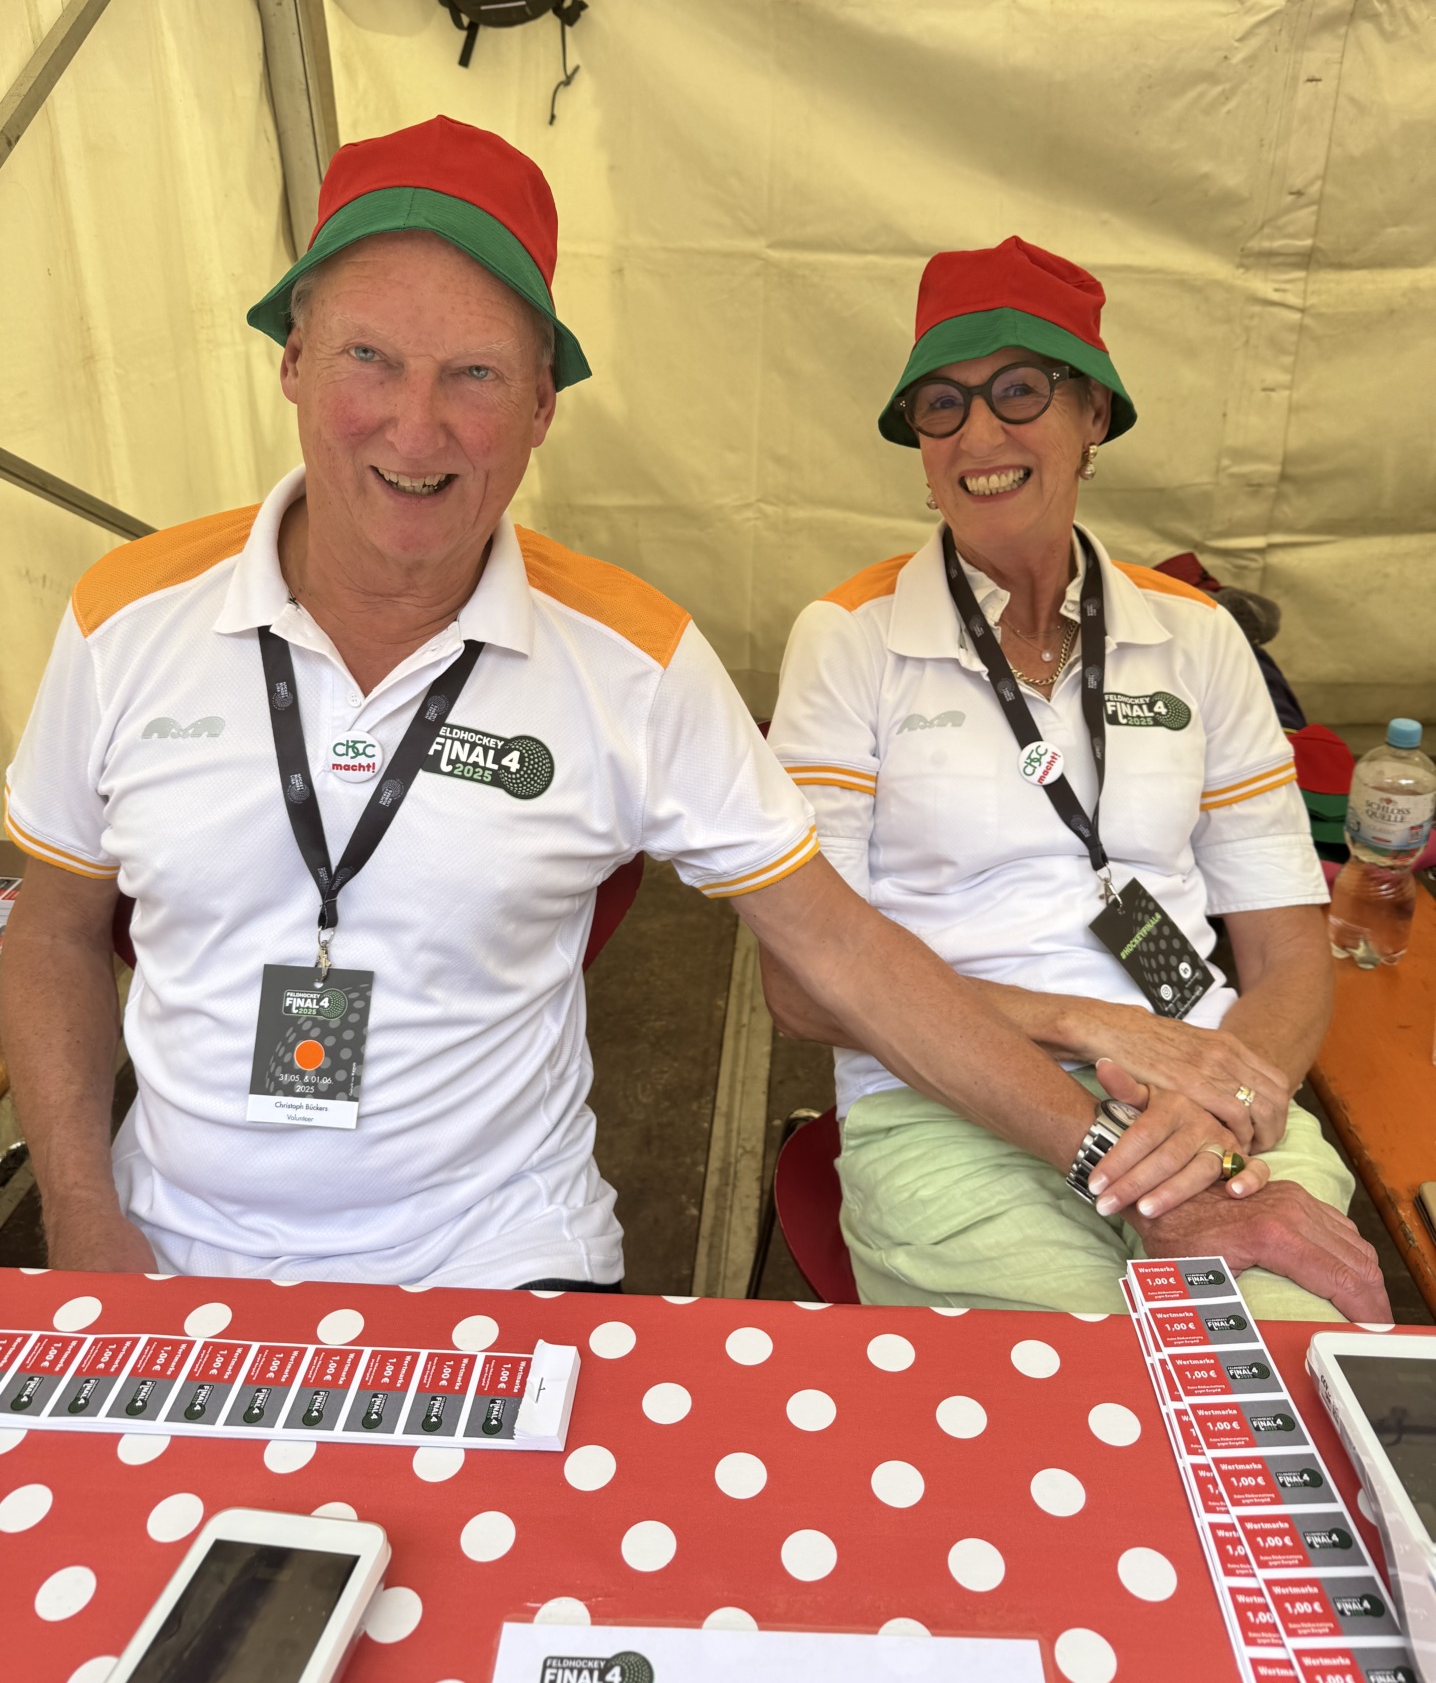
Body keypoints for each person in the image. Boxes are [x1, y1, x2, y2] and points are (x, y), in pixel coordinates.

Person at [2, 130, 1256, 1290]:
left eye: (476, 373)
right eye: (367, 357)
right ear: (291, 361)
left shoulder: (632, 660)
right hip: (161, 1245)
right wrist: (81, 1214)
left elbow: (842, 955)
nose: (415, 426)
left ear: (541, 409)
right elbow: (52, 931)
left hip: (499, 1260)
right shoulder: (126, 618)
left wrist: (1136, 1179)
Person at [762, 236, 1389, 1321]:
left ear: (1092, 412)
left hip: (1205, 1085)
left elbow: (1287, 951)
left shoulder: (1194, 635)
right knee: (1077, 1386)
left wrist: (1217, 1103)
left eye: (1018, 390)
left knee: (1285, 1378)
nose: (978, 436)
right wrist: (1097, 1027)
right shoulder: (850, 637)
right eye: (941, 405)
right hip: (946, 1100)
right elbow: (806, 986)